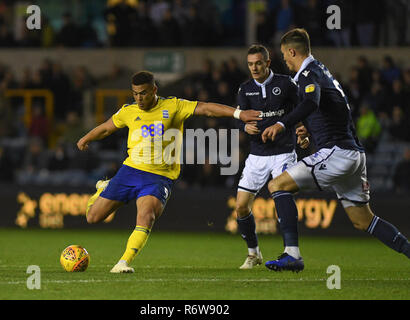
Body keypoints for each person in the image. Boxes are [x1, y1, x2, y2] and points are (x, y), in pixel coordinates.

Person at [77, 71, 260, 273]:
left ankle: (123, 262)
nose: (139, 98)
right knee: (93, 217)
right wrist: (86, 138)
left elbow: (206, 109)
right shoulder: (128, 111)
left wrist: (239, 114)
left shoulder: (172, 106)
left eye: (144, 93)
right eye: (135, 93)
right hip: (129, 171)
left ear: (154, 90)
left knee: (146, 216)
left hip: (158, 177)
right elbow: (106, 128)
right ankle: (104, 187)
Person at [261, 28, 410, 272]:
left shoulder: (308, 73)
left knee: (276, 185)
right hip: (353, 154)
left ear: (291, 51)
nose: (284, 61)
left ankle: (292, 255)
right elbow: (332, 109)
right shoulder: (322, 72)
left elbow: (311, 103)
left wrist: (282, 123)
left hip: (337, 153)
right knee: (363, 221)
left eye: (284, 55)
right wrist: (308, 130)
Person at [234, 44, 300, 269]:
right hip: (257, 155)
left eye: (258, 63)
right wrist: (245, 128)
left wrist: (303, 131)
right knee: (241, 207)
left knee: (281, 193)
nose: (254, 68)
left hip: (283, 151)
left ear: (267, 63)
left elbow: (301, 110)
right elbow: (241, 117)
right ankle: (254, 253)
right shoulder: (245, 89)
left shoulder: (286, 84)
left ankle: (291, 252)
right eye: (250, 64)